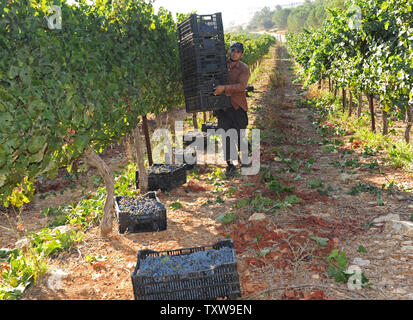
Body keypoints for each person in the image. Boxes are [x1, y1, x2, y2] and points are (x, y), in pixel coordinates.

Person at [213, 42, 250, 178]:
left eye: (238, 52)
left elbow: (241, 86)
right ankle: (230, 165)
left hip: (237, 106)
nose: (234, 53)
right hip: (223, 107)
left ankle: (244, 159)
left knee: (240, 134)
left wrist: (224, 88)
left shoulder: (244, 68)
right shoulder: (222, 65)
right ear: (229, 51)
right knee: (225, 135)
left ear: (241, 54)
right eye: (233, 50)